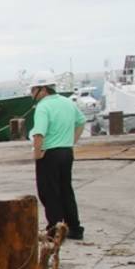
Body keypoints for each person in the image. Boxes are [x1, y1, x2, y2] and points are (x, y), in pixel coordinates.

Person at [29, 71, 85, 240]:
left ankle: (54, 228)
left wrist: (37, 154)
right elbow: (81, 122)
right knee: (66, 189)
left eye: (33, 90)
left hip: (50, 153)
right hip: (66, 151)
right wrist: (71, 141)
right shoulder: (67, 102)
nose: (32, 94)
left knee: (48, 191)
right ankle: (74, 227)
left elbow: (39, 133)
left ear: (43, 89)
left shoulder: (43, 107)